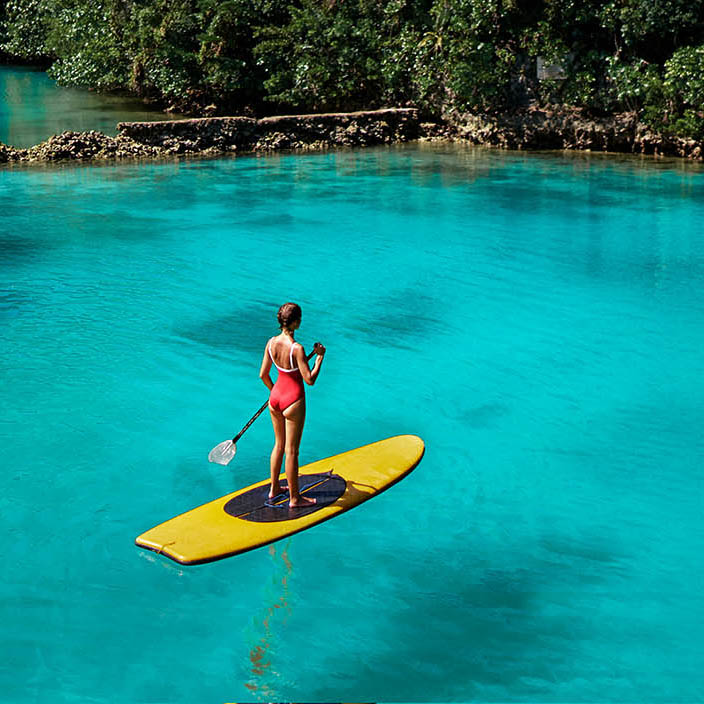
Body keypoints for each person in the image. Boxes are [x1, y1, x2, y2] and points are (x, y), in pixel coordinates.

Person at [259, 302, 325, 507]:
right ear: (296, 322)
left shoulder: (270, 343)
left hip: (276, 398)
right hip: (293, 400)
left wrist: (275, 393)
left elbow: (263, 375)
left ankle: (274, 488)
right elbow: (310, 380)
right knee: (292, 451)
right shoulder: (297, 349)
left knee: (278, 445)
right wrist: (320, 358)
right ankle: (295, 499)